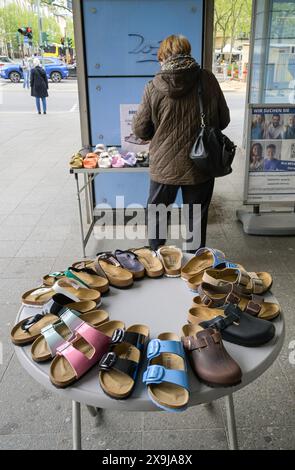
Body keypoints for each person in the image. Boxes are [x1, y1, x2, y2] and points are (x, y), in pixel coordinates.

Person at [132, 34, 230, 251]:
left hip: (164, 166)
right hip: (200, 163)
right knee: (196, 218)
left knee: (157, 214)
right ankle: (193, 265)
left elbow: (140, 129)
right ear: (187, 51)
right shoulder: (207, 79)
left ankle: (157, 259)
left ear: (163, 57)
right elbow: (224, 120)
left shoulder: (153, 86)